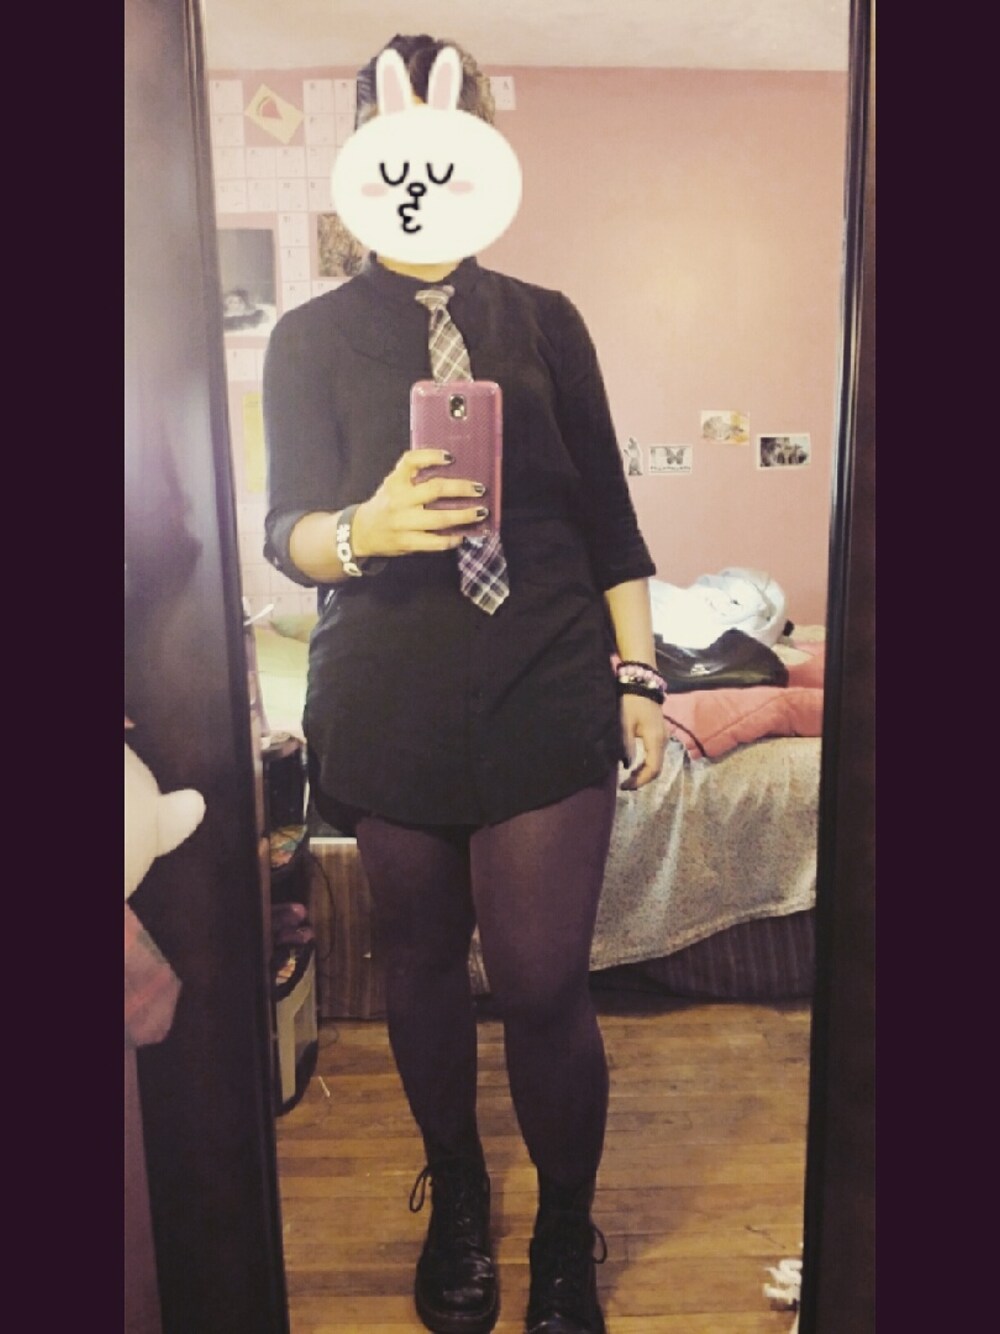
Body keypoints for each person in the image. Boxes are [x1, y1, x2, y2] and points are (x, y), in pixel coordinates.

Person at [262, 33, 668, 1334]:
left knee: (544, 981)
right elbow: (282, 529)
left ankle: (561, 1226)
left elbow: (610, 520)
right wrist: (362, 529)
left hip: (546, 676)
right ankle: (460, 1195)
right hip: (386, 690)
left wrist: (642, 674)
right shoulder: (308, 337)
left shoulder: (548, 321)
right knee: (425, 965)